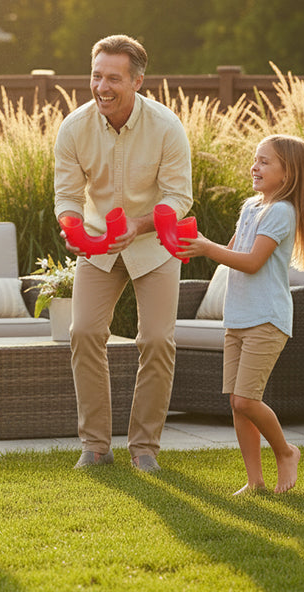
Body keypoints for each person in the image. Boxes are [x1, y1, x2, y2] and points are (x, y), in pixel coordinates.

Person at [54, 34, 192, 473]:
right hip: (98, 247)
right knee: (84, 333)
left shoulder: (166, 127)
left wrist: (141, 224)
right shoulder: (74, 128)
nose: (102, 87)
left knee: (155, 339)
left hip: (153, 245)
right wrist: (71, 226)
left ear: (137, 81)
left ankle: (144, 447)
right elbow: (67, 196)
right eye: (96, 76)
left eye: (113, 77)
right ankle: (95, 445)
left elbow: (178, 196)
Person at [177, 135, 304, 494]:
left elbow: (252, 263)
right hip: (237, 318)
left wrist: (207, 248)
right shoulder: (251, 207)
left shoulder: (282, 211)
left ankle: (286, 452)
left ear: (288, 173)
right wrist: (201, 243)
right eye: (255, 160)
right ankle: (255, 481)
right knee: (237, 405)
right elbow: (233, 253)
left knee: (245, 399)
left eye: (265, 162)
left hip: (266, 319)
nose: (255, 166)